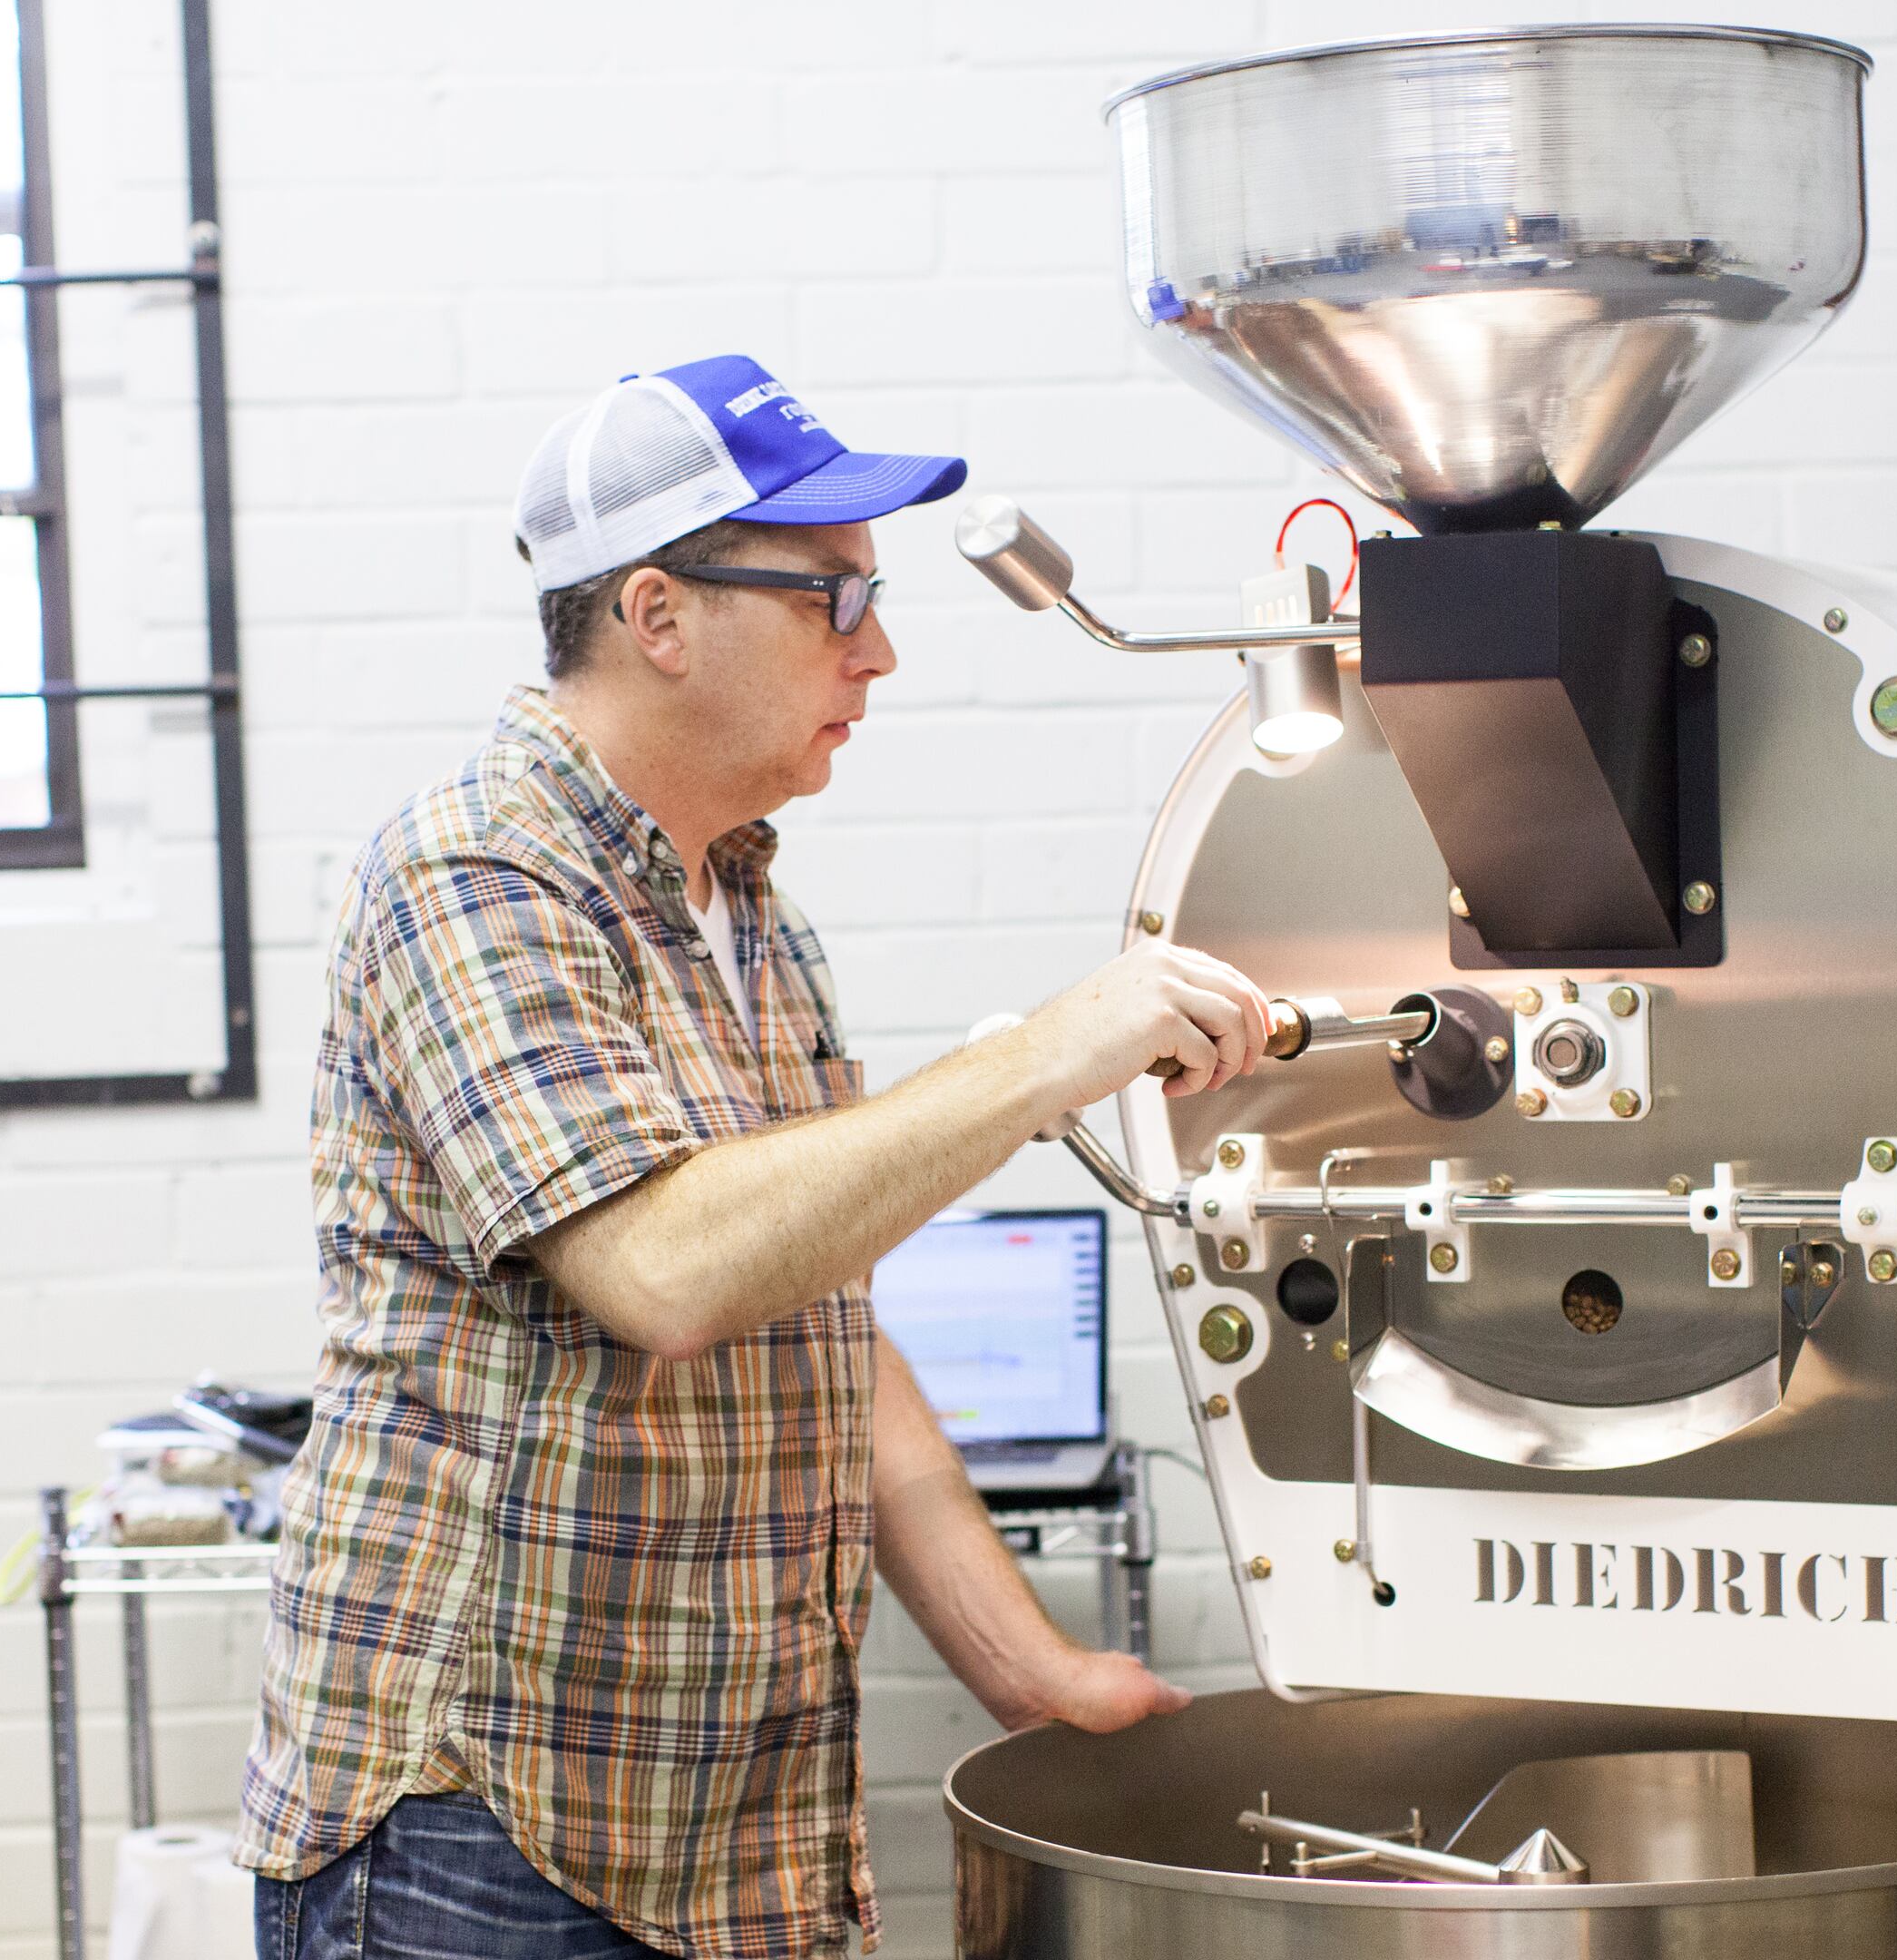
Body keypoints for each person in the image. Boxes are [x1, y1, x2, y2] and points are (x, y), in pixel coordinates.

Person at [240, 354, 1274, 1960]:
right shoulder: (475, 876)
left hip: (724, 1833)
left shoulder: (751, 917)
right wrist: (1048, 1052)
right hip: (489, 1821)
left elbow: (822, 1323)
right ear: (658, 614)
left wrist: (1027, 1669)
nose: (879, 649)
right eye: (830, 598)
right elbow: (667, 1269)